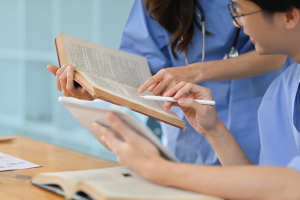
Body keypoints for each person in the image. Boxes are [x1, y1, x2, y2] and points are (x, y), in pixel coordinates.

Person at [92, 0, 300, 199]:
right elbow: (263, 185)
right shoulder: (280, 93)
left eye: (240, 11)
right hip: (192, 131)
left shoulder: (279, 93)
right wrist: (214, 131)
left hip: (246, 123)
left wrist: (158, 169)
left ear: (290, 17)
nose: (236, 22)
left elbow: (289, 185)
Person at [48, 0, 288, 165]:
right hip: (186, 127)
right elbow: (141, 70)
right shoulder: (154, 5)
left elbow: (277, 49)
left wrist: (195, 72)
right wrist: (97, 90)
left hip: (253, 123)